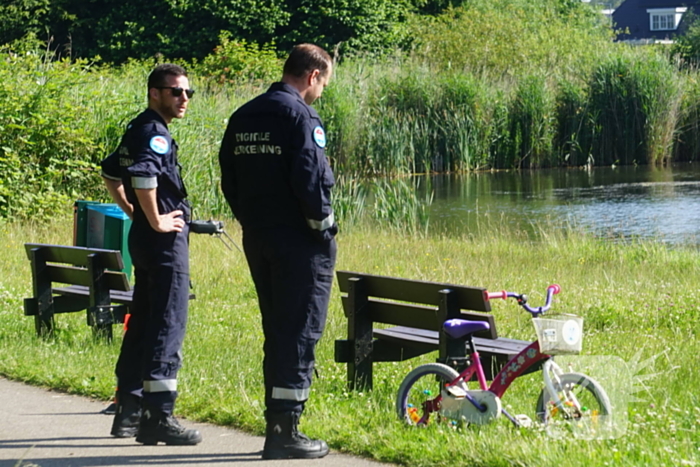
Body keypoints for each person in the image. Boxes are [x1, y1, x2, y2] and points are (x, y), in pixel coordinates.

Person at [218, 44, 337, 460]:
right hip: (299, 243)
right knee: (300, 330)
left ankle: (277, 421)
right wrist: (323, 228)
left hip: (259, 236)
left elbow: (228, 178)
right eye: (324, 83)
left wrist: (251, 219)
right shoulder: (300, 116)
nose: (322, 91)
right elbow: (311, 178)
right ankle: (286, 431)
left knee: (277, 329)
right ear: (312, 76)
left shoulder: (245, 114)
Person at [100, 63, 202, 446]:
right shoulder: (154, 133)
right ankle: (159, 417)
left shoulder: (136, 128)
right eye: (176, 91)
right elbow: (143, 175)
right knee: (167, 322)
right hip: (161, 244)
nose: (184, 99)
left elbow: (111, 172)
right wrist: (157, 219)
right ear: (154, 92)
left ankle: (128, 411)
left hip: (143, 239)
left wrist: (136, 213)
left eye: (188, 92)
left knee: (142, 321)